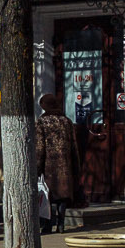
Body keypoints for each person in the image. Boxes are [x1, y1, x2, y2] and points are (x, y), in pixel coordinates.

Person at [35, 93, 78, 234]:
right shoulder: (66, 121)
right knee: (63, 195)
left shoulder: (42, 122)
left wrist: (37, 166)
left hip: (49, 165)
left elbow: (39, 146)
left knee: (48, 195)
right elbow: (74, 144)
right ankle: (61, 223)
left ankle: (48, 224)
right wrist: (76, 163)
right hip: (65, 164)